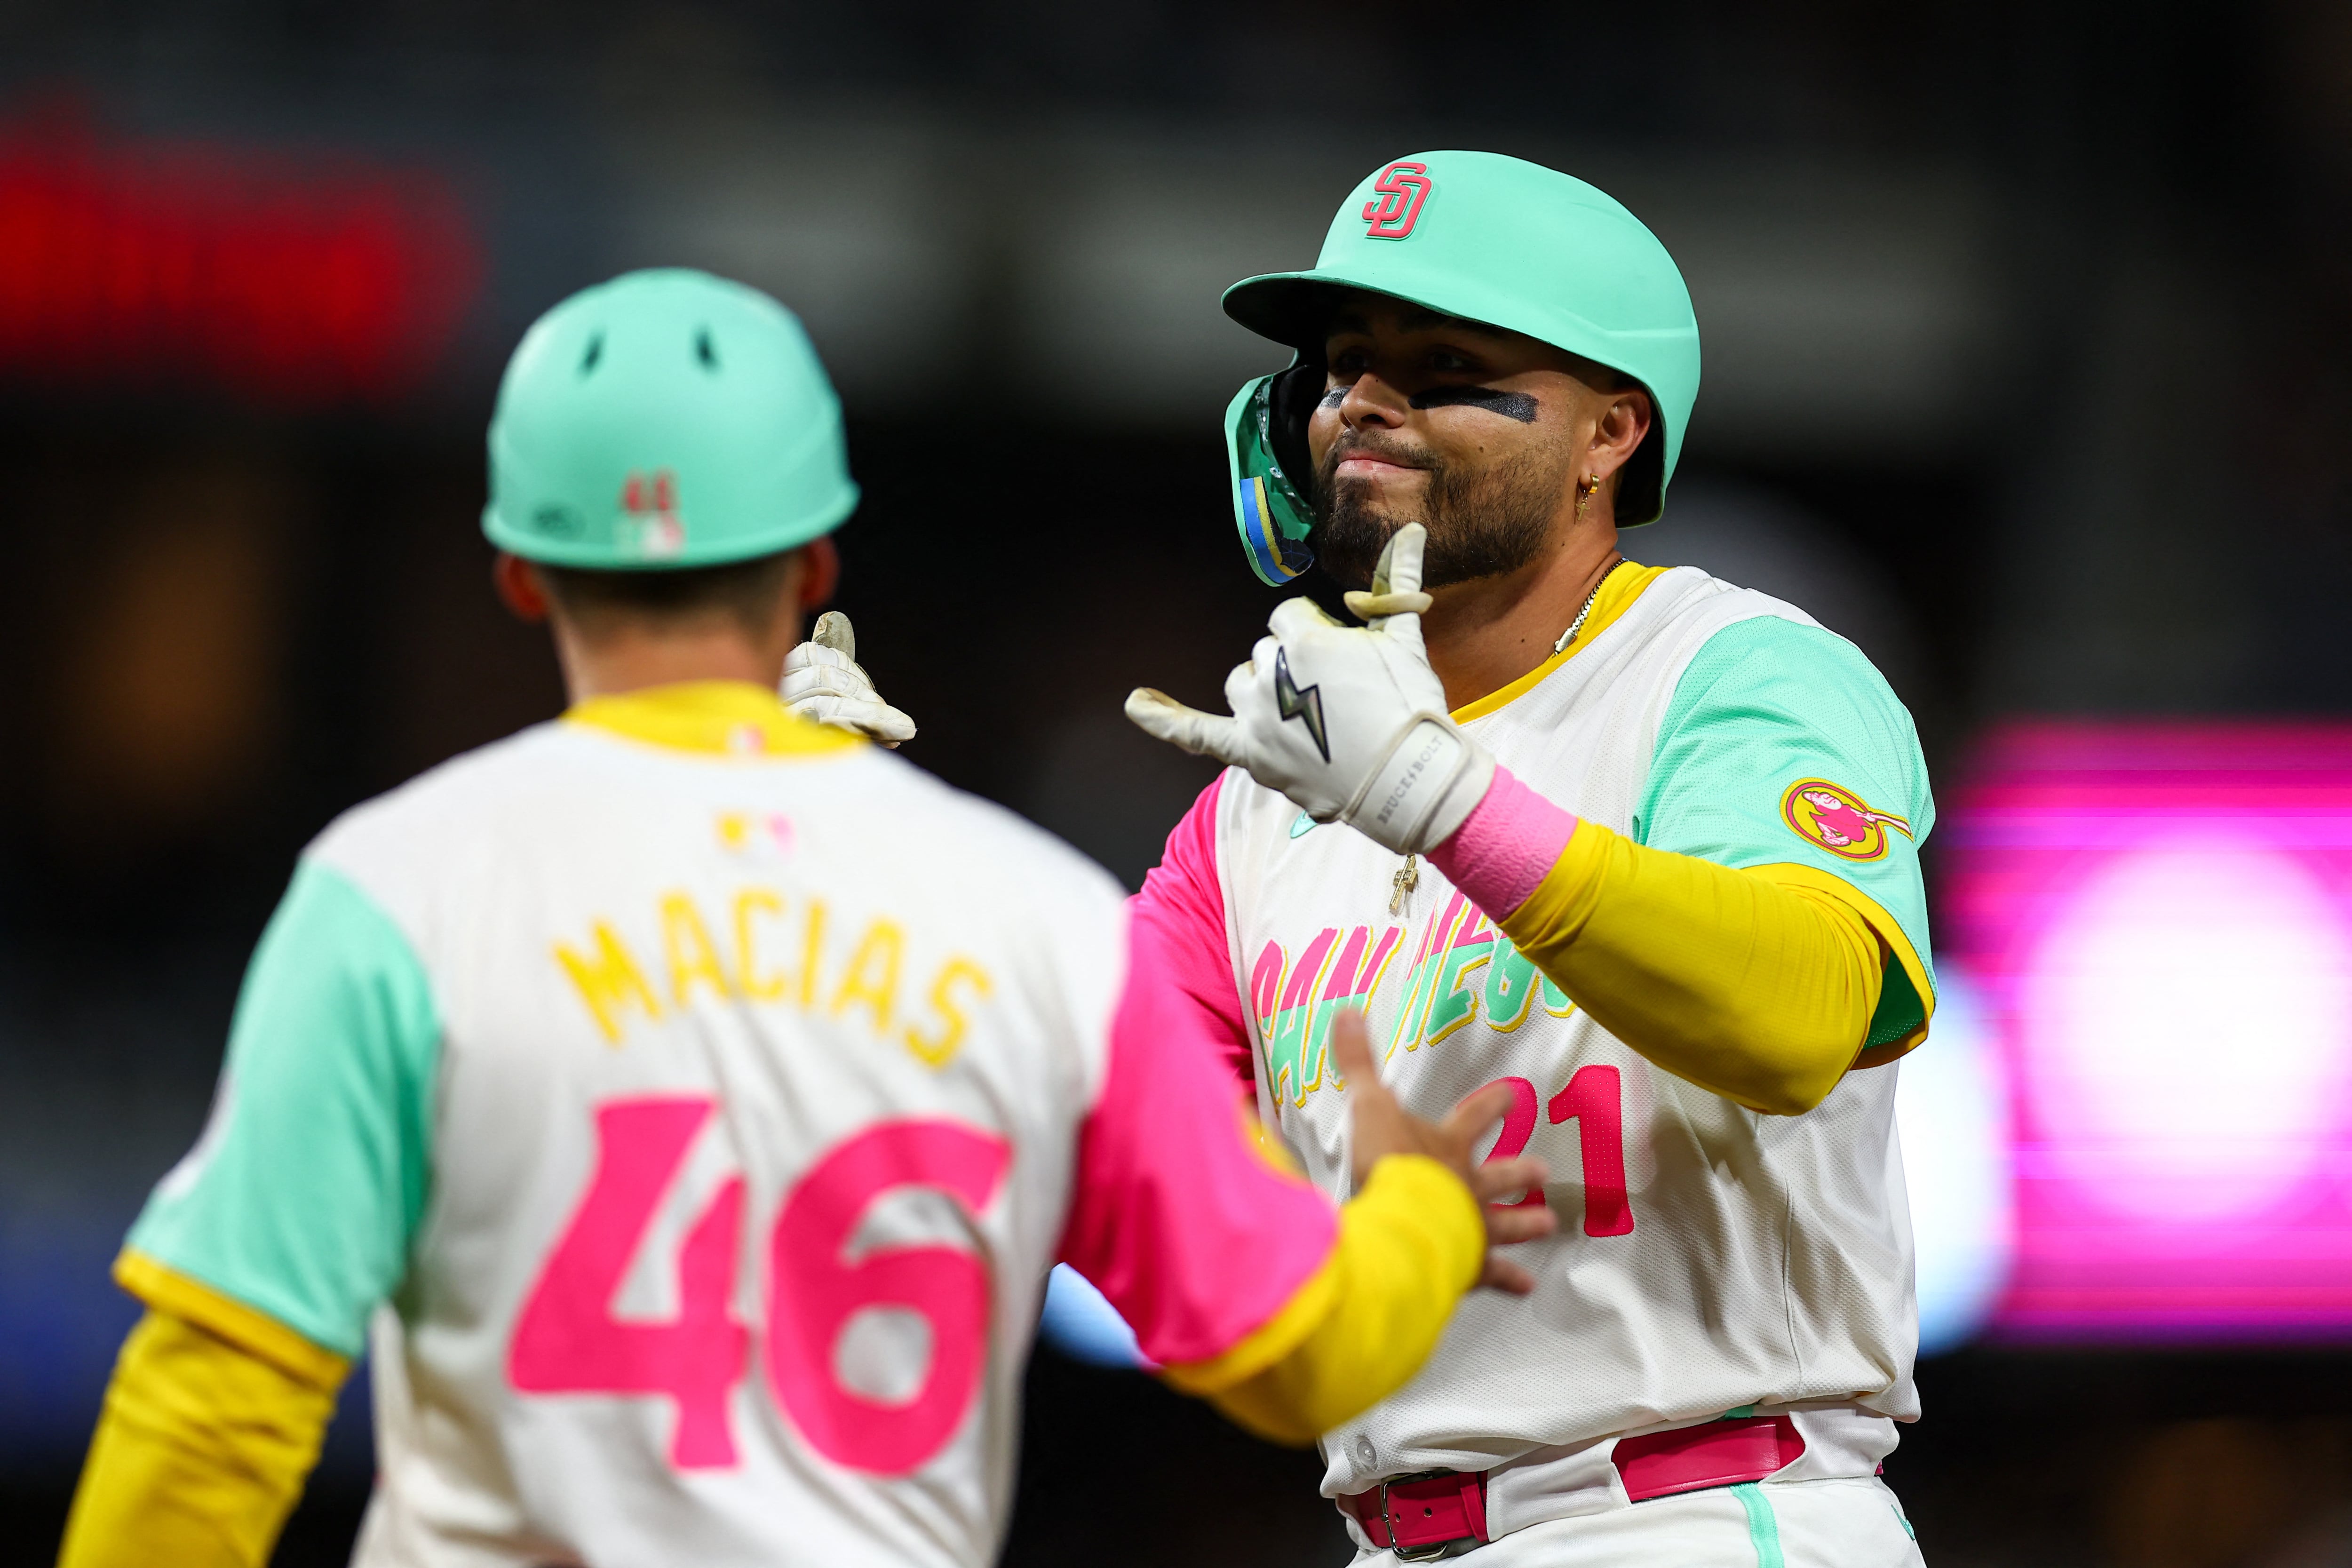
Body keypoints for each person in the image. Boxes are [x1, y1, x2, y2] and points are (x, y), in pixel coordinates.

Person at [53, 268, 1554, 1568]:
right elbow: (1292, 1354)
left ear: (521, 575)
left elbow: (212, 1412)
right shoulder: (1027, 913)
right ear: (816, 562)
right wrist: (1416, 1207)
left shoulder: (398, 883)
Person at [806, 153, 1936, 1564]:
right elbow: (1088, 1154)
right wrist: (854, 878)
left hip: (1699, 1506)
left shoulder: (1729, 672)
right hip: (1385, 1535)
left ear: (1609, 435)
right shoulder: (1261, 806)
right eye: (1343, 364)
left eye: (1447, 364)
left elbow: (1810, 1012)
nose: (1365, 403)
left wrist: (1440, 799)